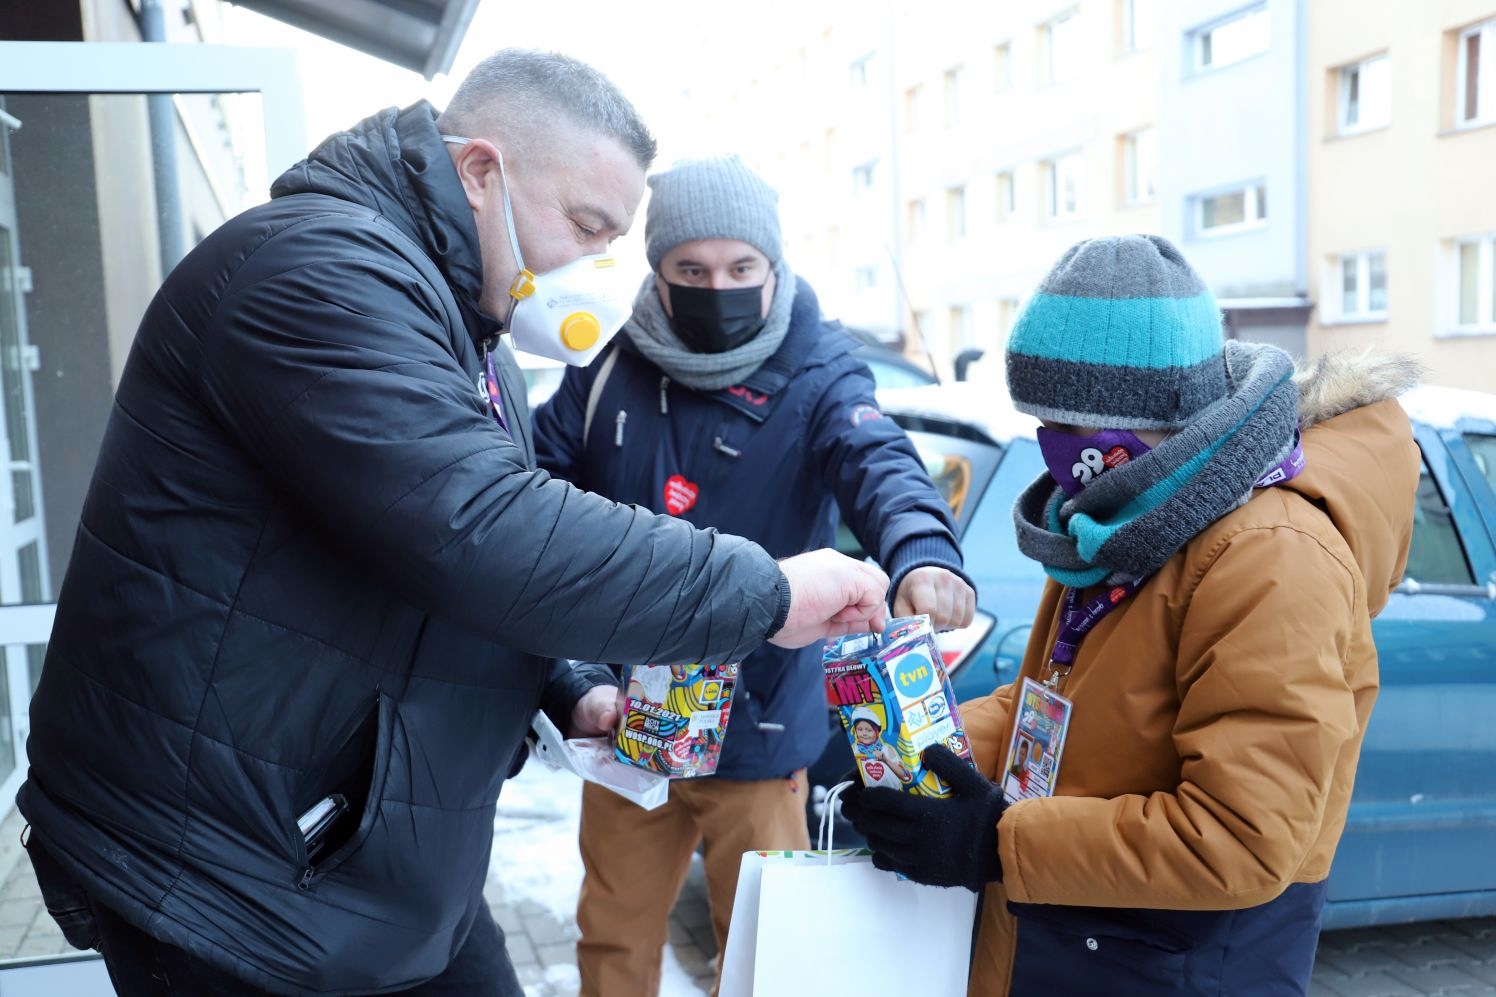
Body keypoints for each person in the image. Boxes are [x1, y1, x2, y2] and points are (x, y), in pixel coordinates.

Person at [16, 50, 891, 997]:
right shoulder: (317, 273)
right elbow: (483, 529)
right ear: (481, 172)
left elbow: (446, 559)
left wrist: (570, 688)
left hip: (364, 843)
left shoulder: (462, 335)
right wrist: (766, 592)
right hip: (231, 868)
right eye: (586, 224)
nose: (592, 263)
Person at [843, 234, 1421, 995]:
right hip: (1071, 939)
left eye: (1080, 428)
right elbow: (1056, 707)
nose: (1061, 455)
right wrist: (924, 752)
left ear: (1164, 413)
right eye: (1045, 423)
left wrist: (994, 840)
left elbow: (1241, 836)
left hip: (1178, 961)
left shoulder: (1272, 555)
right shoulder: (1114, 521)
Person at [529, 154, 975, 997]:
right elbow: (531, 500)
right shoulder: (607, 367)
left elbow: (879, 460)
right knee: (611, 946)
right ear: (656, 272)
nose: (717, 286)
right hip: (632, 728)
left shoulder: (821, 366)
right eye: (690, 270)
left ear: (775, 267)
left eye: (741, 269)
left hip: (764, 735)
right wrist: (571, 677)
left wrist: (922, 550)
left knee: (772, 964)